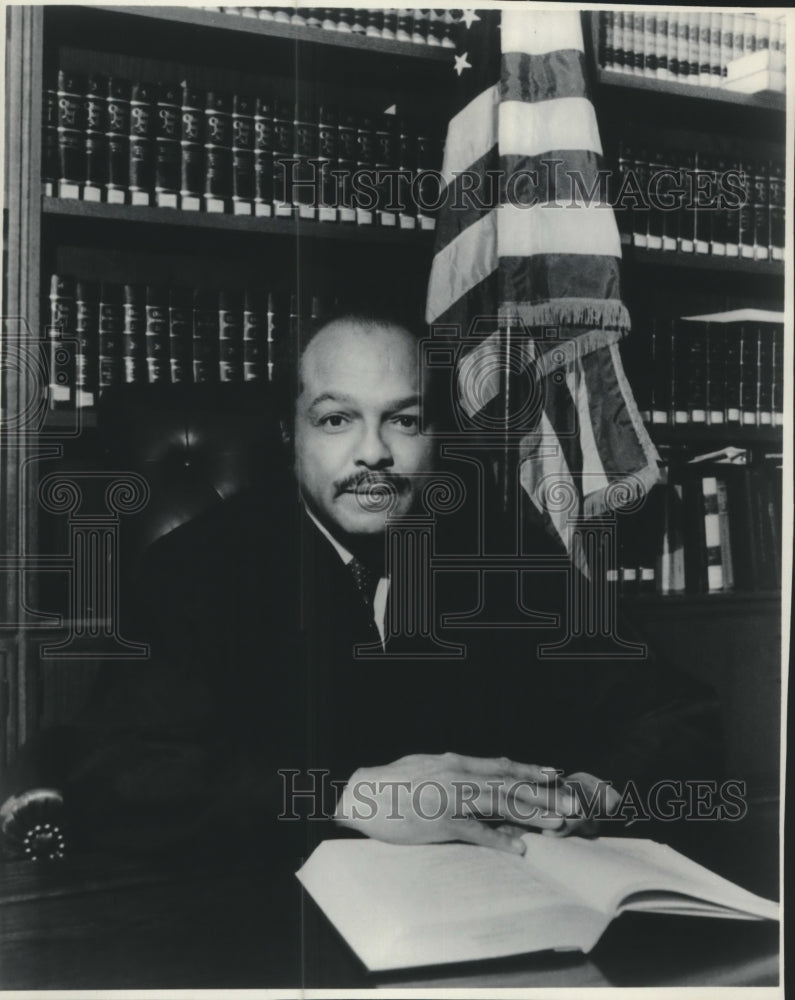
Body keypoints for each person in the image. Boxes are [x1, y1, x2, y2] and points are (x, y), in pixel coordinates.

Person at [0, 311, 721, 861]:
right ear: (290, 435)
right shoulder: (199, 565)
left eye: (402, 420)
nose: (373, 453)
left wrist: (593, 792)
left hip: (500, 899)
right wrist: (343, 796)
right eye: (337, 419)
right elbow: (123, 770)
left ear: (433, 435)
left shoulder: (493, 545)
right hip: (275, 924)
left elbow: (681, 710)